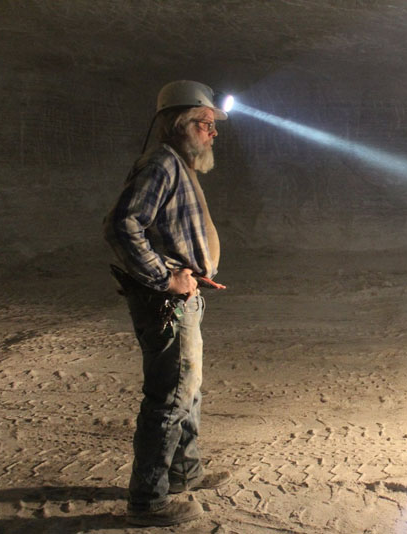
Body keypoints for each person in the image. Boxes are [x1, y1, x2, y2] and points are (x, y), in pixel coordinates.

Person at [104, 80, 231, 526]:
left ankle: (184, 473)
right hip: (167, 302)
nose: (213, 133)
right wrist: (165, 276)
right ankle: (148, 502)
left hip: (184, 297)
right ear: (180, 124)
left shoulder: (179, 164)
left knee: (187, 390)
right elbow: (122, 226)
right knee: (170, 397)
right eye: (206, 123)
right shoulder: (161, 165)